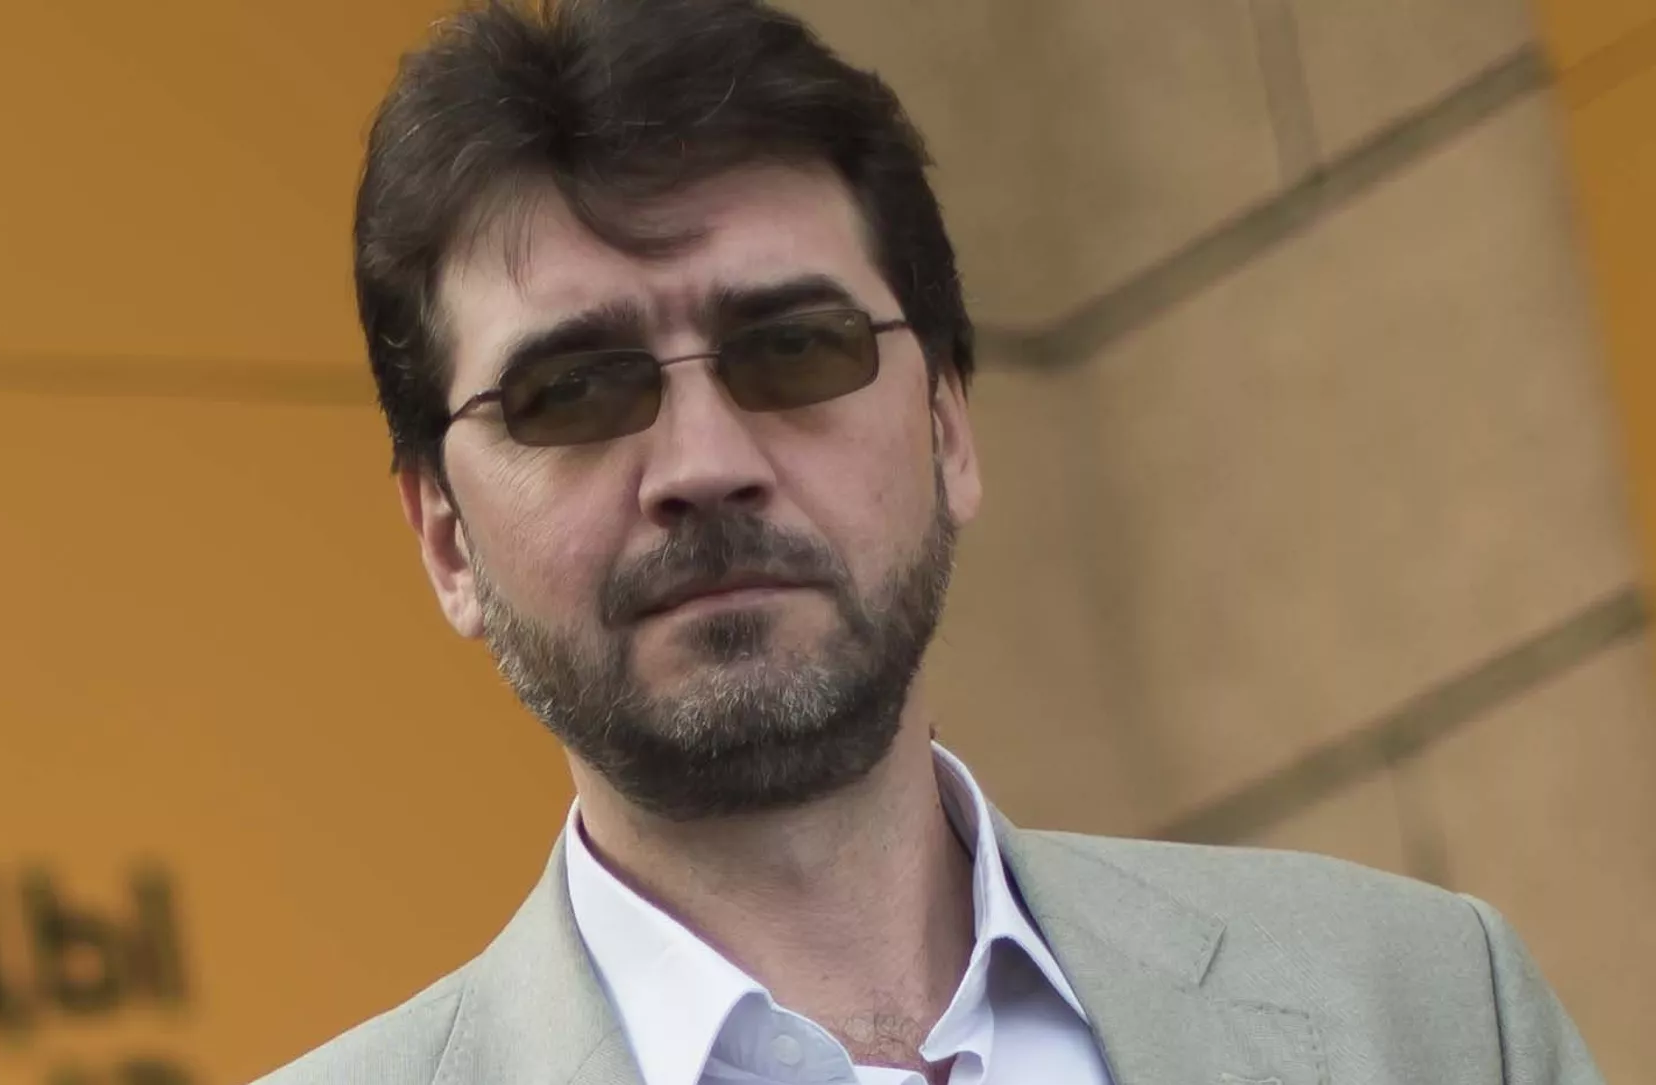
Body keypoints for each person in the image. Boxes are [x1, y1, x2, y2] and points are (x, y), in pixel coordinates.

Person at [257, 1, 1604, 1082]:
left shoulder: (1428, 1014)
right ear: (446, 537)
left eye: (795, 347)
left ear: (950, 428)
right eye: (573, 393)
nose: (706, 464)